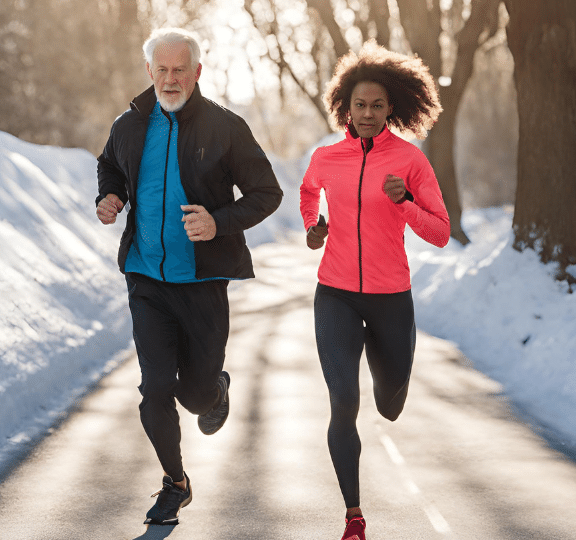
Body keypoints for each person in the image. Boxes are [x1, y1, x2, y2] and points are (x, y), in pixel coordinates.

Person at [95, 27, 282, 526]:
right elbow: (109, 166)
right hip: (146, 279)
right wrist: (108, 197)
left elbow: (267, 193)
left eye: (181, 69)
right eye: (162, 69)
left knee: (196, 395)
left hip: (201, 283)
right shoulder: (128, 126)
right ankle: (175, 484)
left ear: (198, 72)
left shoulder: (226, 127)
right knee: (156, 387)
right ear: (149, 71)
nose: (171, 78)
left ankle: (213, 387)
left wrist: (218, 221)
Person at [299, 41, 449, 540]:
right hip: (336, 294)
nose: (367, 114)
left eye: (377, 106)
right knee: (344, 401)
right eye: (359, 105)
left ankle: (387, 374)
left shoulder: (409, 161)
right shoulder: (327, 157)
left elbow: (440, 231)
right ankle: (354, 516)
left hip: (390, 299)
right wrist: (313, 227)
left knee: (389, 404)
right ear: (346, 106)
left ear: (392, 109)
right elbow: (308, 192)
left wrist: (404, 200)